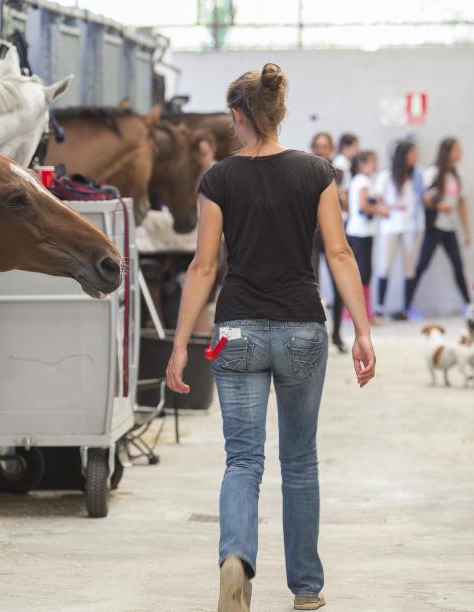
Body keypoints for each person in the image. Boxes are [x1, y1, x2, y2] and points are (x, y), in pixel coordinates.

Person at [166, 63, 376, 612]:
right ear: (278, 114)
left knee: (242, 461)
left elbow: (204, 268)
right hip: (304, 327)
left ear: (239, 117)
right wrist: (361, 330)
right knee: (300, 461)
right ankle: (306, 589)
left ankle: (235, 557)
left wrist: (180, 345)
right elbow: (338, 253)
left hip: (235, 331)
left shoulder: (218, 180)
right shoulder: (317, 173)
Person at [405, 138, 472, 313]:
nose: (460, 152)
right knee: (421, 266)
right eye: (457, 149)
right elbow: (423, 199)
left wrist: (466, 232)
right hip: (435, 227)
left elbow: (461, 204)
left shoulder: (458, 172)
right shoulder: (432, 172)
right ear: (447, 151)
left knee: (458, 266)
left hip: (451, 228)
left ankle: (468, 304)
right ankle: (406, 306)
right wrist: (438, 205)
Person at [374, 140, 425, 320]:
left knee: (410, 267)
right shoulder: (386, 176)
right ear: (403, 155)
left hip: (413, 227)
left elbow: (422, 197)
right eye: (412, 153)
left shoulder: (418, 175)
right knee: (384, 265)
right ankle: (379, 307)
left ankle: (406, 308)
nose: (415, 156)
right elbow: (378, 200)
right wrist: (392, 206)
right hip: (390, 226)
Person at [310, 133, 347, 352]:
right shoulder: (305, 170)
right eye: (317, 146)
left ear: (331, 149)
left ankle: (337, 334)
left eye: (325, 146)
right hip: (312, 234)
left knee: (340, 284)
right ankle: (316, 334)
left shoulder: (340, 174)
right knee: (312, 285)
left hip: (332, 232)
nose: (321, 150)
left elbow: (347, 204)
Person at [346, 151, 390, 323]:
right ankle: (364, 314)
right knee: (363, 275)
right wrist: (382, 211)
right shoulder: (362, 181)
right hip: (360, 234)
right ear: (361, 164)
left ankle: (358, 313)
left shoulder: (362, 181)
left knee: (362, 274)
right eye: (372, 162)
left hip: (361, 233)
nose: (375, 165)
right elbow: (363, 206)